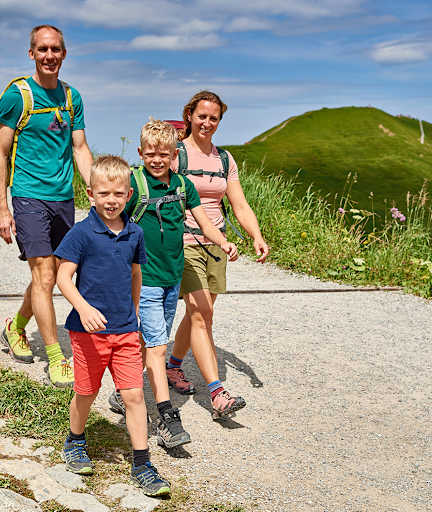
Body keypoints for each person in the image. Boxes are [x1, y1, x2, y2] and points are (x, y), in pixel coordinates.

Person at [108, 119, 238, 448]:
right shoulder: (135, 184)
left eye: (164, 154)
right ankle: (167, 417)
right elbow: (109, 215)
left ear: (174, 155)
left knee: (151, 341)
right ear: (140, 153)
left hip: (171, 277)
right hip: (145, 279)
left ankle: (124, 392)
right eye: (150, 154)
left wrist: (221, 242)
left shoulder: (183, 186)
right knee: (158, 347)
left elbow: (204, 221)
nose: (157, 160)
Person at [54, 155, 171, 496]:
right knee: (86, 392)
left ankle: (142, 463)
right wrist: (83, 308)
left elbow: (136, 274)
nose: (111, 200)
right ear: (90, 193)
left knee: (134, 395)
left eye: (119, 194)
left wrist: (133, 312)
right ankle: (74, 439)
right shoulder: (81, 233)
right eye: (104, 193)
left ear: (129, 194)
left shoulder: (135, 233)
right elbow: (63, 278)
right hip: (88, 332)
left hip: (124, 331)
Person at [0, 24, 93, 387]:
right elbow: (0, 152)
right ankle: (55, 358)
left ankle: (15, 327)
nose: (49, 55)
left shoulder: (72, 97)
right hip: (28, 196)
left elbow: (79, 148)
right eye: (42, 49)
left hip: (63, 198)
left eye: (56, 49)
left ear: (64, 54)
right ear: (32, 53)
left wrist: (95, 186)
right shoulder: (17, 96)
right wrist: (3, 208)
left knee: (49, 274)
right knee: (45, 275)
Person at [168, 91, 270, 420]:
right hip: (183, 242)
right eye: (202, 116)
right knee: (202, 314)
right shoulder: (176, 154)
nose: (207, 123)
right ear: (189, 115)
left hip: (217, 244)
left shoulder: (224, 160)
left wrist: (256, 235)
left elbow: (239, 204)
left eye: (214, 118)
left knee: (201, 312)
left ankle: (172, 367)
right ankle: (217, 393)